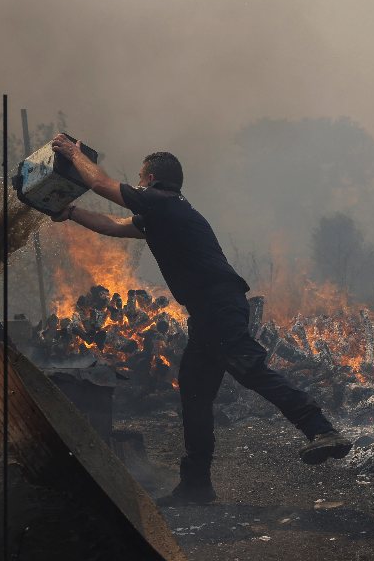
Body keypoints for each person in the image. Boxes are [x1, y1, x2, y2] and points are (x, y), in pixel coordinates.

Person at [48, 134, 352, 503]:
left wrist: (73, 154)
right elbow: (114, 225)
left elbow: (99, 183)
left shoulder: (160, 201)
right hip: (209, 313)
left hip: (218, 308)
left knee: (251, 370)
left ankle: (321, 430)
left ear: (150, 178)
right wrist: (71, 213)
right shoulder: (164, 210)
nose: (138, 183)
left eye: (141, 178)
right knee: (193, 395)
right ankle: (196, 485)